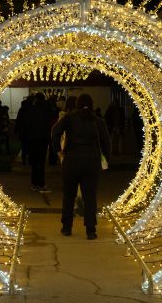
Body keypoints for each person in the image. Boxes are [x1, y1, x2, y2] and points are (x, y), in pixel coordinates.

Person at [51, 93, 111, 240]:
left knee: (69, 195)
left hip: (72, 161)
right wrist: (105, 160)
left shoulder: (69, 118)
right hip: (91, 162)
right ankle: (91, 230)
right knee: (90, 197)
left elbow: (55, 132)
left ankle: (66, 227)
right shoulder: (98, 121)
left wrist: (58, 150)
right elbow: (106, 143)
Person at [24, 93, 54, 192]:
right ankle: (41, 184)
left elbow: (27, 125)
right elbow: (50, 122)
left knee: (34, 162)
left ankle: (34, 183)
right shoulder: (47, 110)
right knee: (41, 163)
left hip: (33, 140)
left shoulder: (30, 110)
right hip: (43, 140)